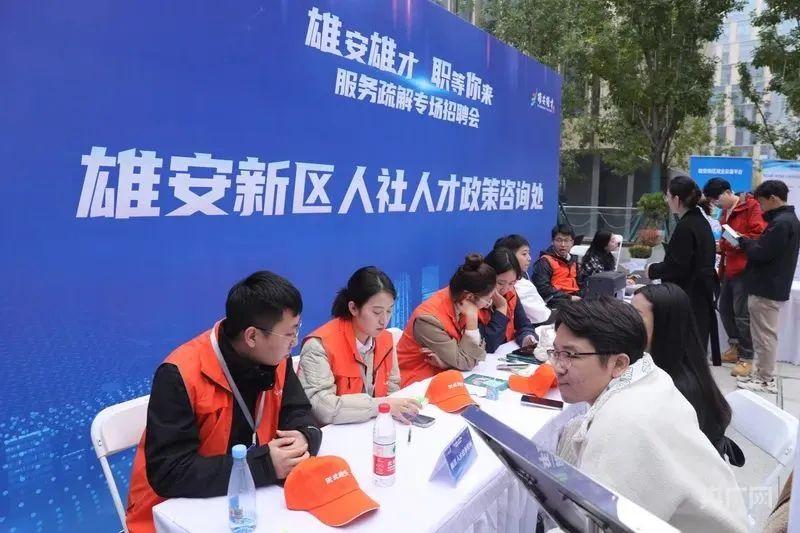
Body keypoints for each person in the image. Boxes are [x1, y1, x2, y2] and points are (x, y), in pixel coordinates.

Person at [126, 271, 322, 533]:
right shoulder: (179, 374)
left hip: (248, 501)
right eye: (290, 333)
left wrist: (304, 436)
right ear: (252, 337)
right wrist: (264, 465)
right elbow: (169, 472)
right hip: (173, 514)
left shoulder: (276, 357)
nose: (294, 343)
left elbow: (298, 411)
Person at [534, 298, 747, 532]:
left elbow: (596, 525)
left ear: (619, 363)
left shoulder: (620, 425)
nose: (558, 366)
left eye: (571, 355)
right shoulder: (651, 376)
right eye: (556, 353)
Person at [299, 267, 421, 425]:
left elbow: (392, 389)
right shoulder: (318, 346)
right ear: (353, 308)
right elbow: (324, 409)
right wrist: (380, 406)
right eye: (376, 312)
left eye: (389, 311)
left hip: (372, 426)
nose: (384, 320)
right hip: (333, 433)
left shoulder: (386, 339)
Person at [632, 283, 739, 461]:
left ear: (663, 324)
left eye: (636, 316)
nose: (626, 322)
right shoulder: (666, 368)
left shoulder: (677, 389)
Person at [647, 176, 720, 364]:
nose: (667, 200)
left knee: (685, 354)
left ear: (677, 199)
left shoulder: (687, 226)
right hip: (699, 294)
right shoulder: (699, 221)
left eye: (668, 196)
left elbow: (677, 266)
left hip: (689, 295)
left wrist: (652, 270)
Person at [737, 180, 800, 393]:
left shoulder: (781, 223)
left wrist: (745, 242)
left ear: (773, 198)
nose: (761, 208)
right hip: (771, 284)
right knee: (764, 334)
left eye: (762, 203)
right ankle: (762, 374)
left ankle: (764, 378)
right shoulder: (788, 220)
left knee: (764, 336)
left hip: (766, 287)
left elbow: (761, 253)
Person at [397, 253, 494, 387]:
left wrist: (447, 363)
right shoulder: (428, 320)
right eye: (488, 300)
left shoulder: (460, 301)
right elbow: (467, 362)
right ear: (469, 297)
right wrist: (472, 319)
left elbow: (474, 356)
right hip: (416, 384)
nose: (489, 304)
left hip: (447, 377)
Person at [703, 178, 766, 378]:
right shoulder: (725, 212)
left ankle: (747, 357)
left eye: (717, 199)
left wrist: (734, 241)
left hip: (745, 268)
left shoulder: (751, 206)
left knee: (741, 314)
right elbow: (726, 239)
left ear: (728, 192)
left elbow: (758, 235)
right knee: (724, 310)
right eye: (713, 201)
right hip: (728, 267)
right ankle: (735, 347)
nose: (716, 204)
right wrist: (721, 245)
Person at [480, 247, 538, 353]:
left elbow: (524, 325)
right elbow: (488, 344)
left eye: (511, 283)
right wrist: (501, 307)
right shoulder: (476, 300)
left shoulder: (511, 293)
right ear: (486, 276)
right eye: (500, 283)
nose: (505, 289)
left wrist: (527, 338)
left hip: (505, 354)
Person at [493, 234, 551, 324]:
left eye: (528, 253)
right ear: (509, 256)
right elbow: (541, 316)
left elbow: (524, 325)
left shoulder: (521, 279)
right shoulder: (520, 286)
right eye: (524, 254)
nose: (529, 258)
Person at [532, 224, 581, 309]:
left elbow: (581, 283)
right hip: (555, 303)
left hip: (576, 300)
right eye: (559, 240)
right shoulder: (544, 262)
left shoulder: (574, 261)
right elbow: (543, 289)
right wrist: (569, 298)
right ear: (552, 242)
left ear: (572, 242)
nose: (563, 244)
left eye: (566, 240)